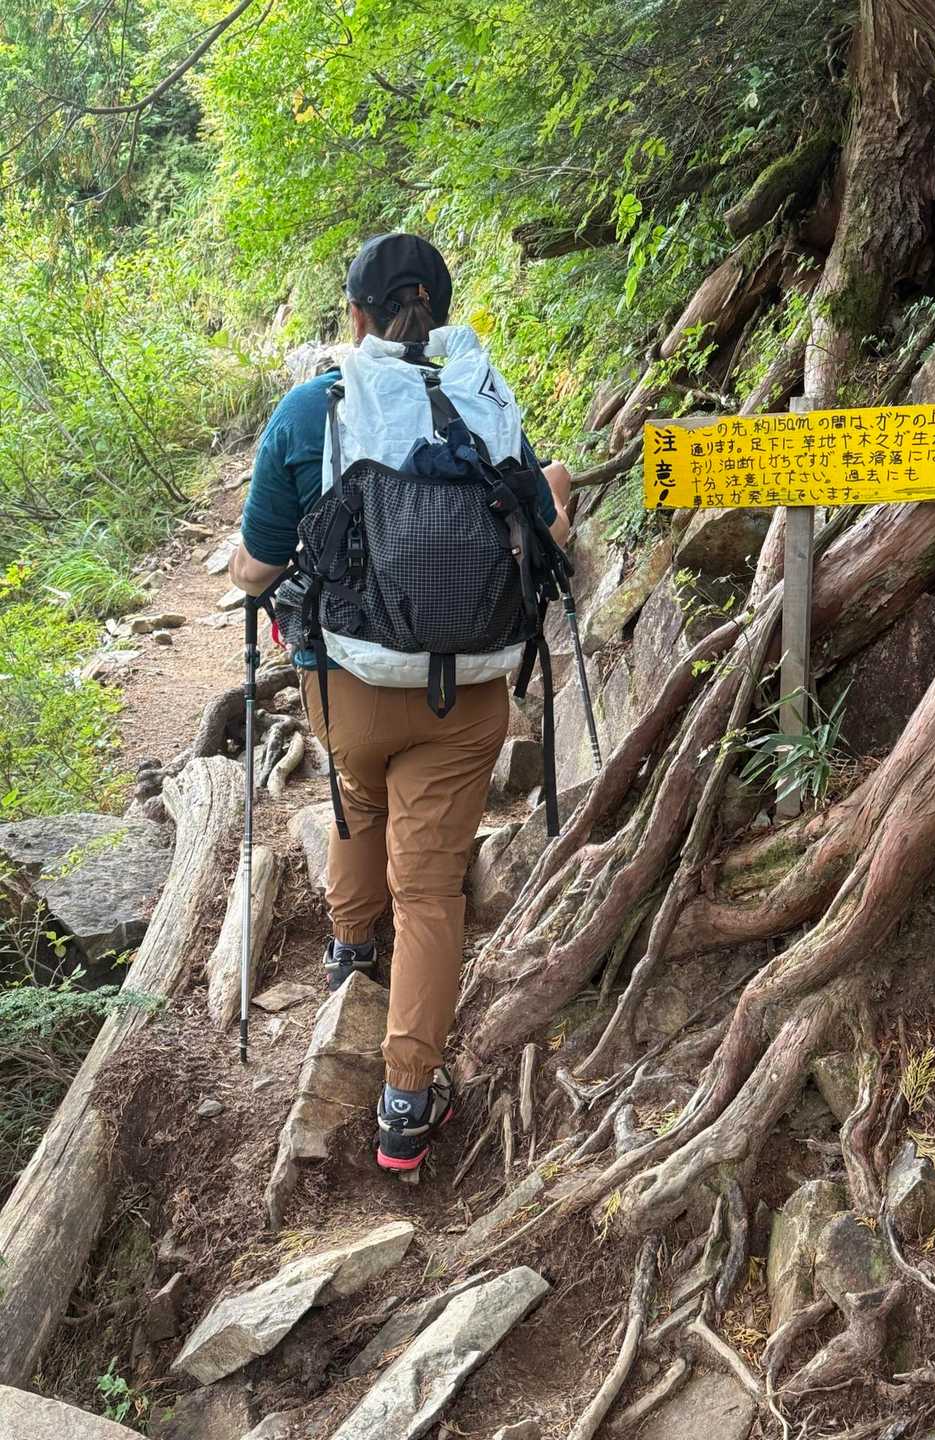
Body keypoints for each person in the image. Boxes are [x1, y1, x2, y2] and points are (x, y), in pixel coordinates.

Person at [229, 233, 571, 1172]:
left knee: (356, 793)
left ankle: (349, 950)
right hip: (469, 690)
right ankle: (407, 1104)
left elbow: (257, 568)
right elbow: (544, 525)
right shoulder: (483, 396)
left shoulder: (313, 408)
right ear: (439, 312)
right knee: (430, 891)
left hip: (350, 686)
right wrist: (561, 491)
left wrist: (246, 568)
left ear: (356, 317)